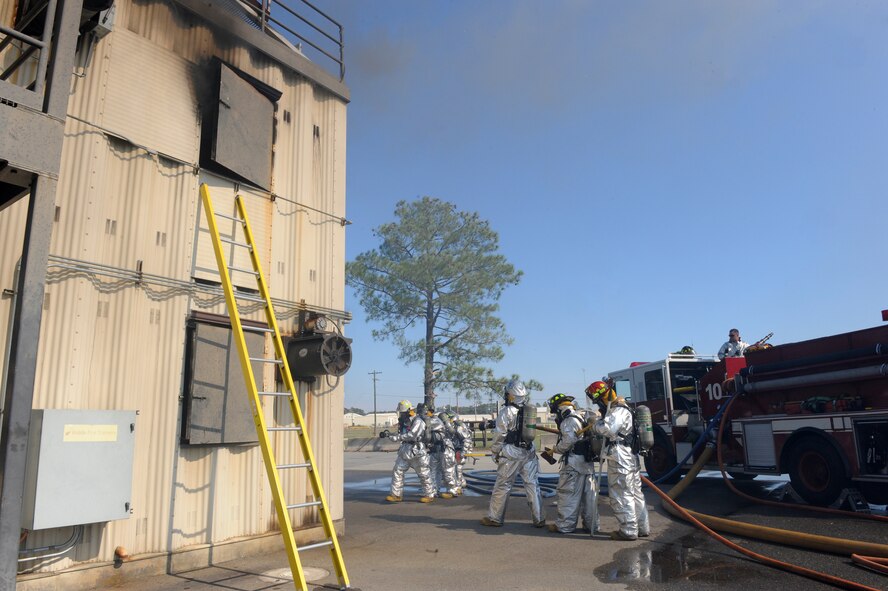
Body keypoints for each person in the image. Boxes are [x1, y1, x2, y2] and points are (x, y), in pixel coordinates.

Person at [586, 380, 650, 541]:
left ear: (602, 397)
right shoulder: (625, 408)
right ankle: (642, 527)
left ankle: (628, 530)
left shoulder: (617, 411)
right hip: (629, 455)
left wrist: (595, 425)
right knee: (635, 493)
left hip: (620, 455)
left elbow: (607, 429)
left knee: (621, 493)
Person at [480, 379, 545, 528]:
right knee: (532, 485)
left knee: (503, 485)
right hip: (528, 452)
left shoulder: (506, 411)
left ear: (510, 395)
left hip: (511, 454)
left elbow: (499, 434)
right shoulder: (529, 411)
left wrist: (495, 451)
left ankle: (495, 518)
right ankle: (539, 518)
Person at [544, 393, 600, 535]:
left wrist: (556, 449)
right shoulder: (581, 417)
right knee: (589, 497)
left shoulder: (568, 420)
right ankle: (591, 525)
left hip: (573, 464)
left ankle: (565, 526)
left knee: (568, 495)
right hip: (586, 464)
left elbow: (568, 442)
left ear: (558, 408)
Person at [385, 400, 437, 503]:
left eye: (402, 412)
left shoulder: (418, 421)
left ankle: (429, 494)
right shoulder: (405, 421)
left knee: (423, 473)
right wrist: (394, 435)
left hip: (417, 451)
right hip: (405, 450)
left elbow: (412, 435)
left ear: (408, 411)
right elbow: (403, 433)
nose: (401, 414)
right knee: (398, 470)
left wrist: (397, 438)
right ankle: (396, 495)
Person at [427, 408, 459, 498]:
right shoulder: (433, 421)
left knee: (448, 469)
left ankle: (452, 490)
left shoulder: (439, 422)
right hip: (435, 448)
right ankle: (434, 490)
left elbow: (452, 432)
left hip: (445, 448)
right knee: (434, 471)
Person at [448, 410, 473, 490]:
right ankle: (462, 482)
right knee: (455, 468)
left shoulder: (459, 427)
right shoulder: (453, 426)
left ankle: (458, 487)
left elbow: (466, 440)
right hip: (456, 449)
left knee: (457, 468)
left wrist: (463, 451)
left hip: (461, 449)